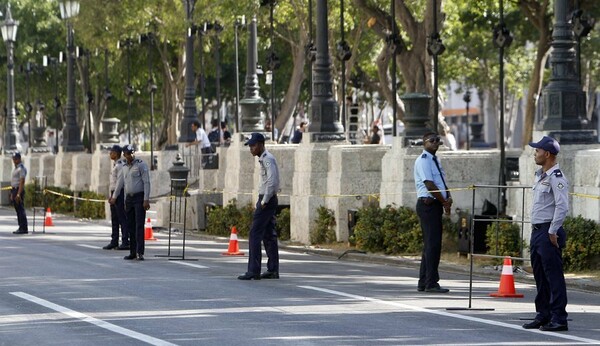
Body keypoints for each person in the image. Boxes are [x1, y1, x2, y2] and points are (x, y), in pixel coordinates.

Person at [522, 136, 569, 332]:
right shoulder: (540, 175)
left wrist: (552, 231)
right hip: (538, 231)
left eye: (538, 151)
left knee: (554, 276)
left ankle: (559, 317)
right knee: (540, 276)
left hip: (549, 231)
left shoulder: (556, 177)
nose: (535, 153)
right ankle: (543, 314)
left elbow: (562, 206)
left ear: (547, 154)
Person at [413, 132, 452, 293]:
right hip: (428, 205)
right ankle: (431, 282)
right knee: (433, 245)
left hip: (435, 204)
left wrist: (448, 199)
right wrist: (444, 201)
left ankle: (424, 281)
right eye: (432, 141)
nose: (436, 143)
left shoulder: (435, 160)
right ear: (424, 143)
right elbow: (429, 184)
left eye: (438, 140)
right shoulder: (423, 161)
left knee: (430, 245)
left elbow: (441, 182)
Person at [238, 133, 280, 280]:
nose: (251, 148)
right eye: (250, 146)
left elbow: (272, 182)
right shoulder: (263, 159)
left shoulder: (268, 159)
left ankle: (253, 270)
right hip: (267, 199)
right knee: (269, 235)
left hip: (266, 200)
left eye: (253, 145)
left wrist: (264, 201)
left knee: (254, 234)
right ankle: (272, 269)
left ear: (261, 144)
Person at [109, 145, 151, 261]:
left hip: (139, 198)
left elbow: (146, 182)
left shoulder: (141, 165)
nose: (130, 155)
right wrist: (115, 197)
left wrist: (146, 199)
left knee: (139, 226)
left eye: (132, 152)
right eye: (128, 153)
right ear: (124, 155)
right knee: (130, 226)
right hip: (129, 199)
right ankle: (132, 252)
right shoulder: (124, 167)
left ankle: (140, 252)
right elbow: (120, 184)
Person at [103, 145, 129, 250]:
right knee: (114, 218)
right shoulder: (115, 165)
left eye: (112, 152)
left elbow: (119, 183)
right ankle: (114, 241)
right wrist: (111, 195)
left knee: (122, 218)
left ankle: (125, 241)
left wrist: (114, 196)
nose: (110, 154)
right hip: (114, 193)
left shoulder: (120, 166)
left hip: (119, 193)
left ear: (117, 154)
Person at [10, 152, 28, 234]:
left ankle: (23, 228)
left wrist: (18, 194)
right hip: (14, 190)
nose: (14, 160)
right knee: (18, 210)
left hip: (18, 190)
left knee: (20, 209)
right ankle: (20, 226)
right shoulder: (15, 168)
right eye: (13, 159)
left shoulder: (21, 168)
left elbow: (22, 181)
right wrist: (12, 193)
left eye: (16, 159)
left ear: (19, 159)